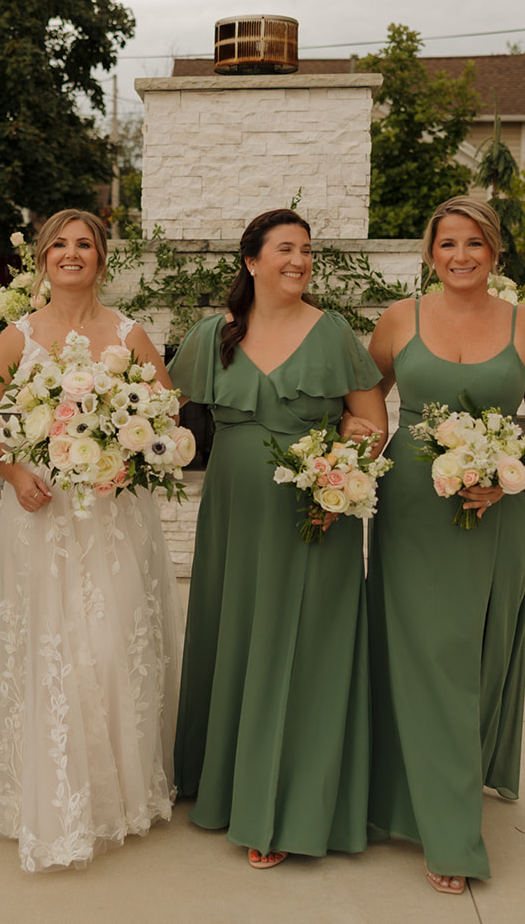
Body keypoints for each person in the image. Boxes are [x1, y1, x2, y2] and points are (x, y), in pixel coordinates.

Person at [0, 209, 185, 872]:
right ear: (43, 259)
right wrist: (12, 468)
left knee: (113, 647)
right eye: (60, 243)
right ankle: (56, 799)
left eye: (84, 243)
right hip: (42, 509)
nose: (72, 253)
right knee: (53, 648)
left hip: (113, 513)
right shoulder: (20, 335)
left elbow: (167, 417)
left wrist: (131, 449)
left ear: (102, 258)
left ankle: (116, 800)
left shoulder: (128, 333)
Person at [167, 207, 388, 870]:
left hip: (312, 513)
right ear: (252, 260)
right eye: (285, 249)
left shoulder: (335, 333)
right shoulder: (213, 334)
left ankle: (285, 806)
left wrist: (340, 473)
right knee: (238, 637)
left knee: (306, 651)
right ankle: (227, 779)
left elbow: (370, 423)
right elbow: (152, 408)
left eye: (307, 251)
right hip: (234, 516)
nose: (299, 260)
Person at [363, 195, 525, 895]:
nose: (460, 255)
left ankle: (448, 776)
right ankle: (446, 826)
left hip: (500, 511)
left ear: (494, 252)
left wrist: (505, 473)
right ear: (430, 252)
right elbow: (365, 404)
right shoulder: (398, 319)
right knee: (425, 654)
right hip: (414, 509)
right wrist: (337, 461)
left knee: (477, 651)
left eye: (474, 243)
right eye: (448, 243)